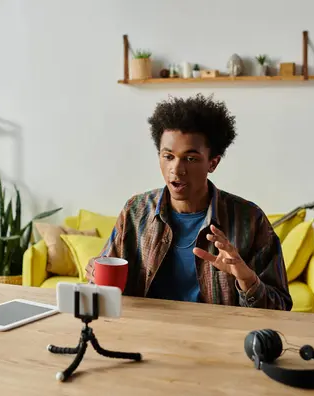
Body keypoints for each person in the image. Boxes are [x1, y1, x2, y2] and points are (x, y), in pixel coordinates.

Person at [87, 94, 292, 311]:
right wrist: (95, 275)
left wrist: (247, 279)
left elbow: (280, 308)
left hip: (218, 338)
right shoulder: (135, 212)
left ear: (213, 163)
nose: (177, 169)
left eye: (191, 158)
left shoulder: (250, 220)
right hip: (145, 335)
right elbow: (103, 289)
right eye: (168, 156)